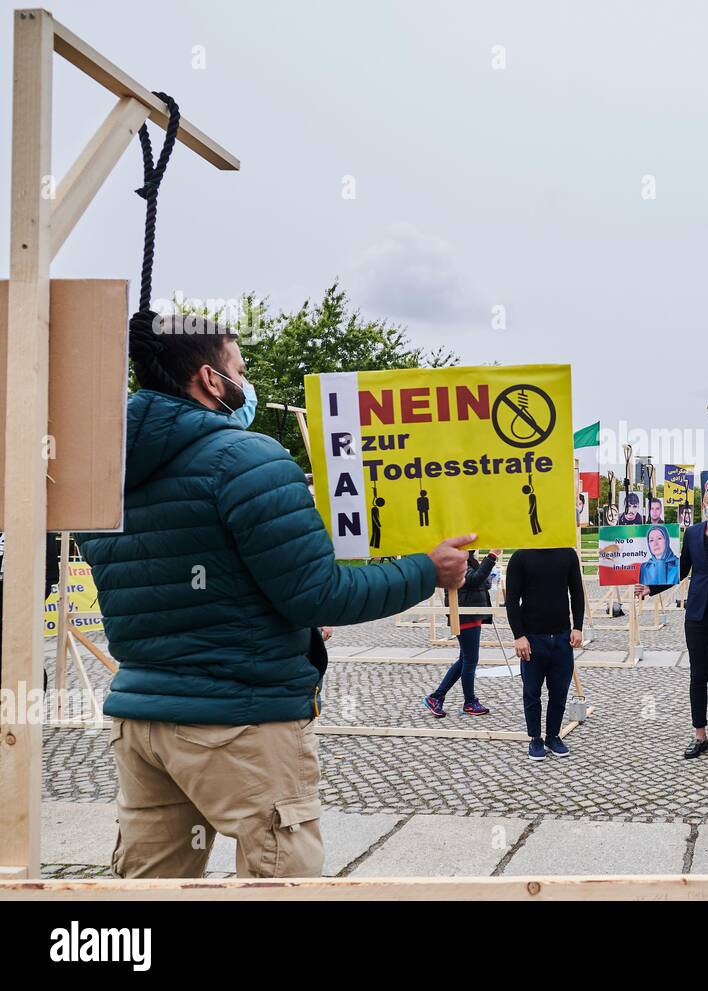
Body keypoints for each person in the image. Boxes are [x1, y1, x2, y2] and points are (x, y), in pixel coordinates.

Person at [76, 313, 473, 879]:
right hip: (240, 723)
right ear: (212, 380)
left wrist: (282, 615)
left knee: (149, 888)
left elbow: (179, 587)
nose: (246, 380)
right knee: (281, 881)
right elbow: (320, 593)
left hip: (142, 720)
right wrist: (425, 571)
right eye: (241, 368)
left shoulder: (105, 474)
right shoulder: (245, 458)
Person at [636, 480, 708, 761]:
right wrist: (651, 588)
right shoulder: (691, 535)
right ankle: (699, 734)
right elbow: (680, 570)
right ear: (703, 506)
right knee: (697, 676)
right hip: (697, 616)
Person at [506, 546, 585, 760]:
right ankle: (535, 738)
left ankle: (553, 736)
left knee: (559, 691)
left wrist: (578, 626)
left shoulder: (567, 554)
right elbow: (512, 600)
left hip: (561, 636)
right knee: (532, 691)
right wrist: (519, 635)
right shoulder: (520, 556)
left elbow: (577, 591)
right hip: (532, 637)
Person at [423, 548, 501, 718]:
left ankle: (436, 697)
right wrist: (492, 557)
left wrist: (486, 570)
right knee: (470, 660)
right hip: (464, 615)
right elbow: (474, 579)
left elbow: (484, 581)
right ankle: (469, 702)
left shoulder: (468, 559)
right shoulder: (457, 561)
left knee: (464, 660)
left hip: (472, 614)